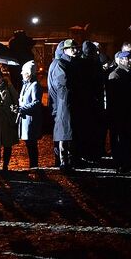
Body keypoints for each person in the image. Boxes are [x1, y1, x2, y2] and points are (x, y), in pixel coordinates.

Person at [48, 39, 78, 171]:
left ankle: (66, 161)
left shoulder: (65, 63)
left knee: (65, 133)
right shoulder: (61, 64)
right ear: (64, 50)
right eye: (72, 48)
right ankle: (63, 162)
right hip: (64, 103)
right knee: (64, 133)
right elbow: (63, 84)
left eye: (75, 48)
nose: (75, 50)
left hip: (64, 103)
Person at [106, 51, 131, 173]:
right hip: (119, 113)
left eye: (130, 59)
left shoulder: (127, 74)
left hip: (127, 112)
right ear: (121, 60)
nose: (130, 61)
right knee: (119, 139)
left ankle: (125, 161)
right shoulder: (116, 75)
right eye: (127, 59)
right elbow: (114, 98)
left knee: (126, 138)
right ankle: (119, 162)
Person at [16, 60, 44, 168]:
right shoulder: (27, 85)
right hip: (26, 118)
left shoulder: (34, 85)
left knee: (31, 144)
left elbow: (36, 102)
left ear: (29, 73)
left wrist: (22, 109)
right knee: (29, 144)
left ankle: (34, 165)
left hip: (30, 119)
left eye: (24, 72)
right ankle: (33, 165)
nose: (22, 74)